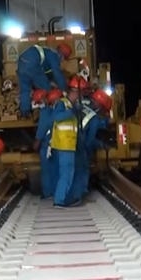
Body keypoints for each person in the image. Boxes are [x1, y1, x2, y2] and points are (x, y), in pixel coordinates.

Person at [71, 89, 113, 202]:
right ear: (100, 105)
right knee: (82, 169)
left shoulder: (80, 104)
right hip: (80, 143)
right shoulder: (94, 118)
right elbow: (89, 141)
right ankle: (79, 195)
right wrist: (101, 145)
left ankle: (70, 195)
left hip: (68, 139)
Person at [17, 42, 72, 118]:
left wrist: (51, 82)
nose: (62, 61)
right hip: (32, 63)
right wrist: (64, 89)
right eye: (64, 59)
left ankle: (25, 112)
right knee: (47, 89)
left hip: (21, 62)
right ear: (62, 56)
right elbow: (57, 74)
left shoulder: (48, 52)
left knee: (25, 89)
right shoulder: (54, 56)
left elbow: (45, 73)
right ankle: (47, 113)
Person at [50, 77, 81, 208]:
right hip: (64, 145)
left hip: (68, 145)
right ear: (73, 92)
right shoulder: (63, 104)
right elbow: (56, 118)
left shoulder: (71, 106)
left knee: (68, 173)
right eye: (78, 94)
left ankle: (63, 198)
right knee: (66, 173)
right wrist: (70, 112)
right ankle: (59, 200)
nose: (79, 97)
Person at [34, 89, 60, 199]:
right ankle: (55, 191)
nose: (38, 104)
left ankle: (48, 193)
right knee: (55, 169)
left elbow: (42, 129)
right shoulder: (53, 111)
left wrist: (36, 144)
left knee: (47, 171)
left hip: (46, 146)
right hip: (56, 144)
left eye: (39, 102)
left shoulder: (45, 113)